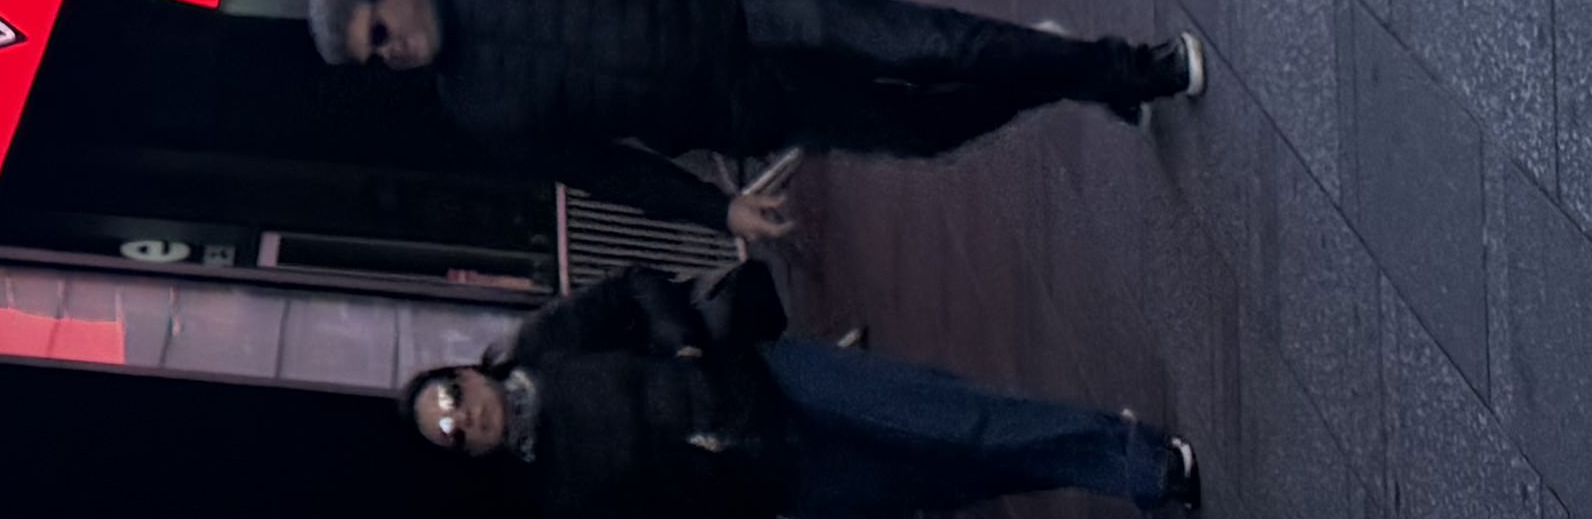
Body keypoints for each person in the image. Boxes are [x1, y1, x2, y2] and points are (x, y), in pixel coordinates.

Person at [309, 0, 1185, 225]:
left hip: (739, 6)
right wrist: (714, 209)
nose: (393, 50)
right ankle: (1058, 70)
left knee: (929, 43)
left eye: (379, 30)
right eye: (375, 59)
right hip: (738, 109)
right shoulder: (477, 110)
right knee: (925, 134)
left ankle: (1128, 69)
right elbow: (605, 171)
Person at [406, 255, 1201, 512]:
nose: (461, 419)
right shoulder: (556, 487)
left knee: (956, 419)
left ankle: (1135, 457)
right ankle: (1100, 460)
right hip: (776, 473)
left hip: (768, 380)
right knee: (948, 476)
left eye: (451, 399)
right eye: (450, 434)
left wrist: (685, 349)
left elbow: (636, 289)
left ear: (467, 373)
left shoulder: (546, 344)